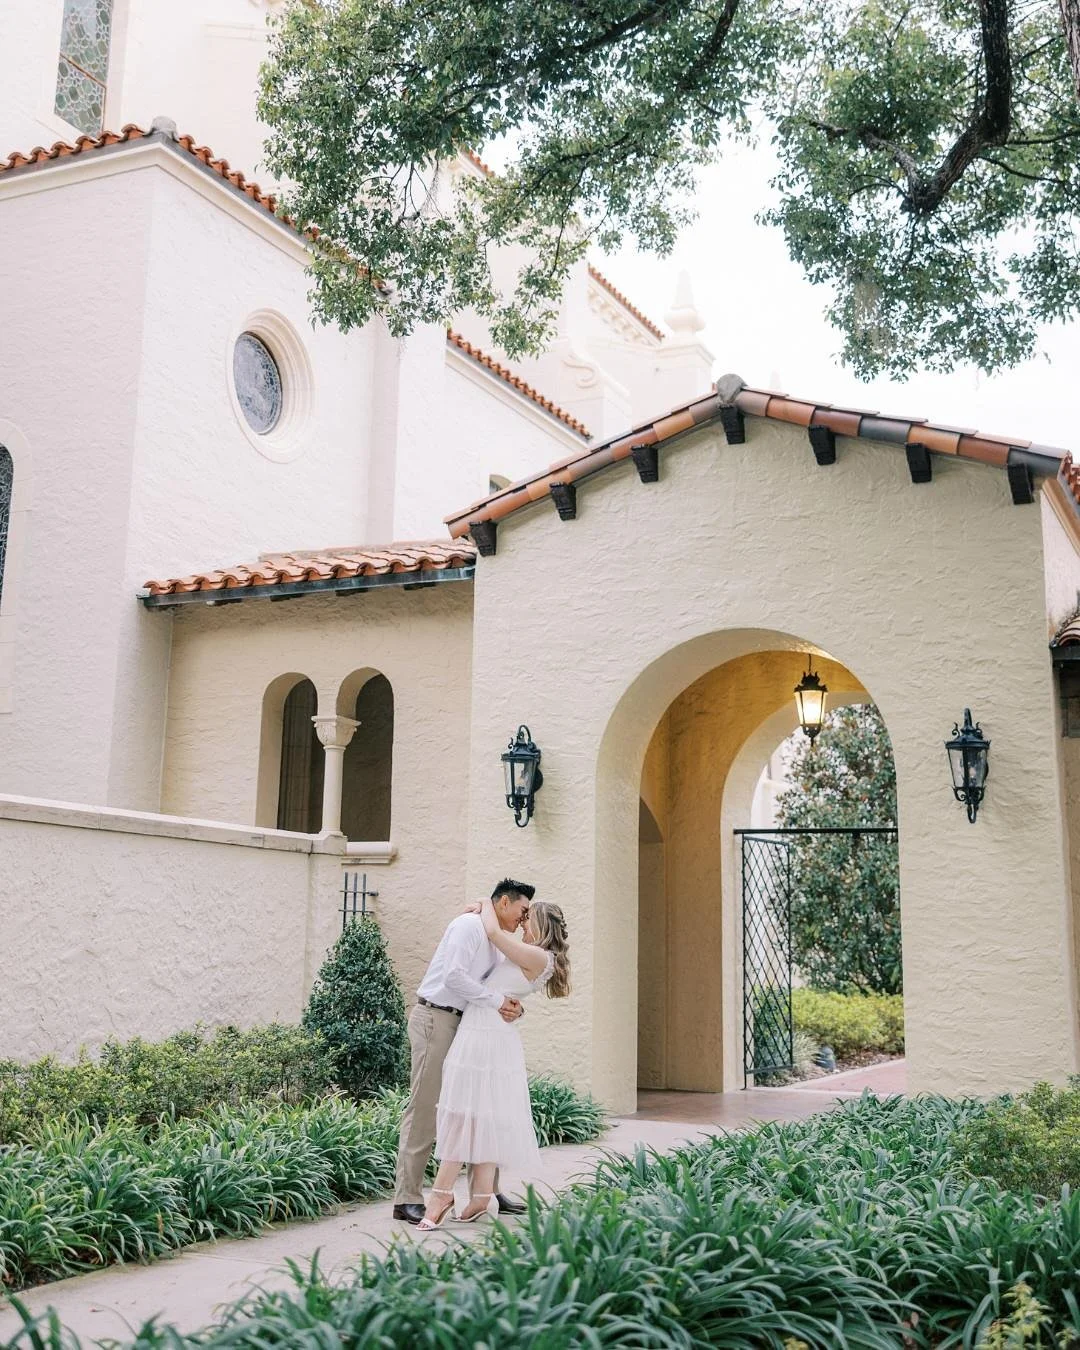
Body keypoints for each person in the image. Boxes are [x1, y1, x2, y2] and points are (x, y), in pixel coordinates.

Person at [418, 893, 571, 1229]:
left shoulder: (535, 954)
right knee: (478, 1115)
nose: (521, 919)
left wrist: (484, 904)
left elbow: (493, 933)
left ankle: (442, 1194)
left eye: (527, 915)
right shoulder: (534, 955)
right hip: (483, 1032)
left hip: (484, 1039)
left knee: (462, 1113)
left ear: (540, 924)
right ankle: (481, 1198)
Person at [392, 878, 536, 1224]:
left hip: (469, 1024)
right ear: (503, 903)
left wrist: (511, 1006)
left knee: (480, 1107)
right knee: (426, 1107)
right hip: (436, 1019)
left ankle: (484, 1191)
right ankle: (407, 1198)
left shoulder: (496, 936)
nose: (524, 917)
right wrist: (498, 1001)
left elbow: (499, 985)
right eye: (522, 909)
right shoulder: (468, 927)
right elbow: (455, 978)